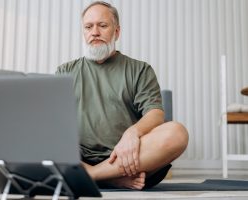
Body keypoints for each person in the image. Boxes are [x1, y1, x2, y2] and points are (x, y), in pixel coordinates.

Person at [56, 1, 188, 190]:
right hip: (79, 159)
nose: (95, 32)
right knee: (35, 133)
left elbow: (156, 114)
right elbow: (55, 123)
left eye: (102, 25)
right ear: (83, 32)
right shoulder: (65, 71)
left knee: (177, 133)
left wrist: (132, 134)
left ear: (116, 32)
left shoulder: (140, 69)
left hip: (129, 156)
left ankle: (94, 175)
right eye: (88, 26)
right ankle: (110, 177)